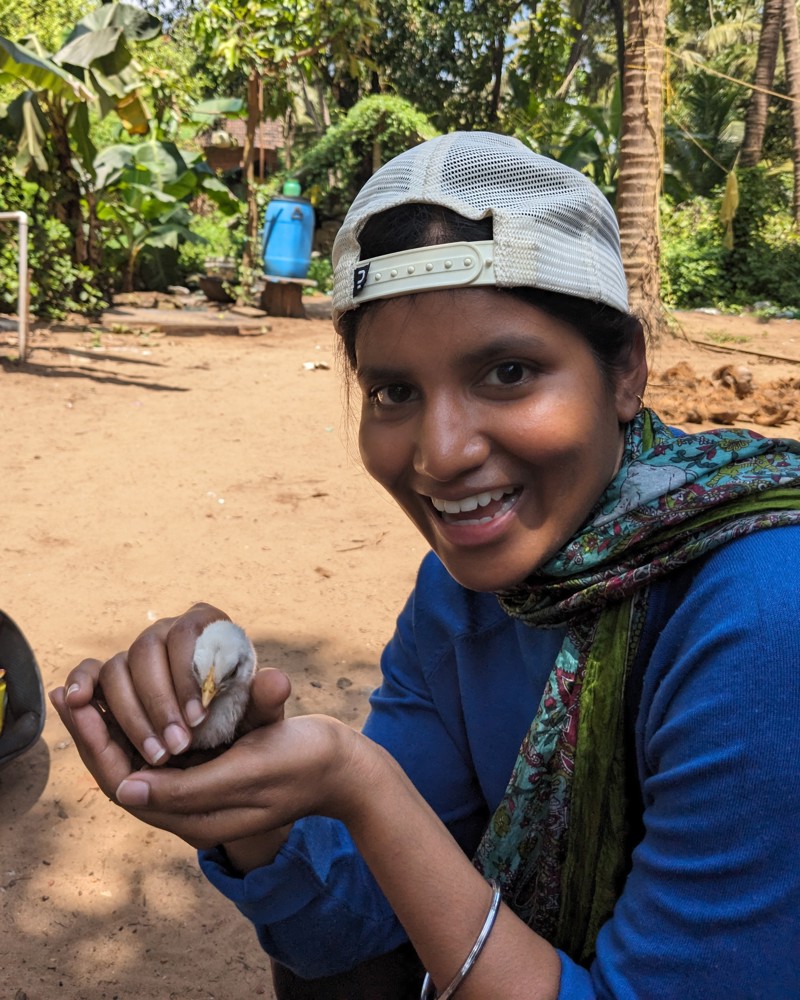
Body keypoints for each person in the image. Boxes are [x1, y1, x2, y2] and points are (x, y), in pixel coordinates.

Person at [50, 131, 800, 1000]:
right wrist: (234, 782)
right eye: (394, 392)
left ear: (625, 369)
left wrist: (362, 791)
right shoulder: (464, 594)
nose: (440, 456)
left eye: (509, 372)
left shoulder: (762, 614)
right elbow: (344, 931)